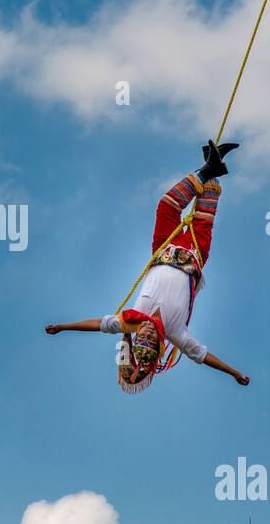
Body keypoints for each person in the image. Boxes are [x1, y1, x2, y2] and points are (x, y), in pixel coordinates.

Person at [45, 139, 251, 393]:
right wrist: (234, 373)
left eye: (142, 336)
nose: (148, 333)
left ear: (134, 338)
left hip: (165, 248)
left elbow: (96, 325)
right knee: (205, 212)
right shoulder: (176, 333)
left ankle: (208, 168)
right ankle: (211, 167)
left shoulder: (129, 320)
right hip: (194, 255)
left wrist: (63, 327)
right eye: (153, 339)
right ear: (161, 345)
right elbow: (203, 356)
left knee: (167, 205)